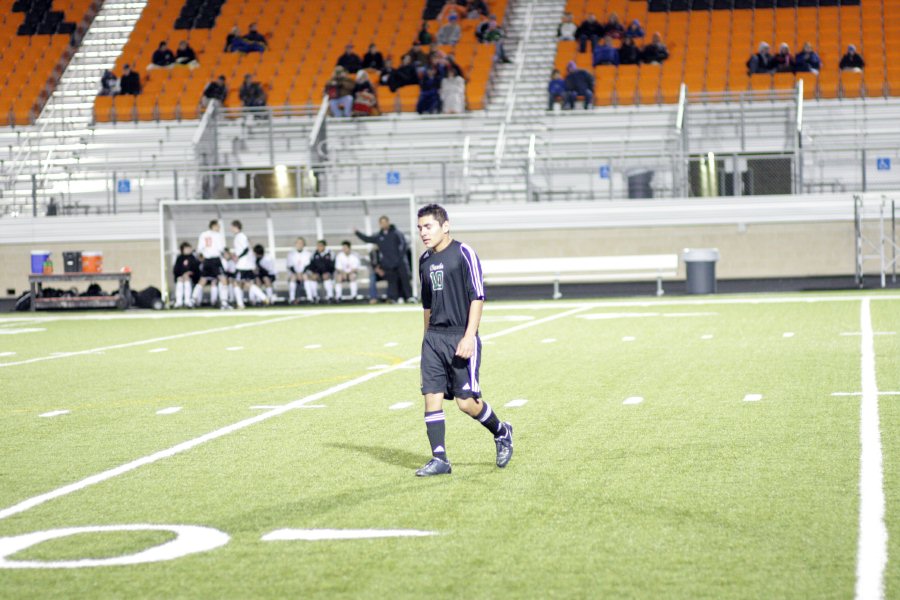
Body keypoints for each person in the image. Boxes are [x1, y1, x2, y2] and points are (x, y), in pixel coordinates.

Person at [414, 203, 513, 477]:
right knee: (431, 396)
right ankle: (440, 459)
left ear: (445, 226)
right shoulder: (424, 260)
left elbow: (477, 296)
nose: (423, 232)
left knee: (466, 403)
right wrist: (426, 340)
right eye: (420, 227)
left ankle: (502, 431)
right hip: (434, 338)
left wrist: (470, 336)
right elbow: (426, 304)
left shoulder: (463, 253)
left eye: (428, 226)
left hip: (460, 335)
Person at [355, 216, 411, 303]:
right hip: (389, 264)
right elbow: (367, 239)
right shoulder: (378, 236)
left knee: (405, 280)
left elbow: (403, 245)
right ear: (380, 224)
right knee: (392, 282)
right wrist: (357, 233)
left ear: (388, 222)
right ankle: (393, 299)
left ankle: (409, 297)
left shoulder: (396, 233)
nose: (384, 224)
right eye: (382, 222)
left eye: (385, 222)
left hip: (400, 262)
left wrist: (400, 257)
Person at [192, 220, 230, 309]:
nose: (219, 228)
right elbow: (221, 248)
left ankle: (192, 300)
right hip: (215, 260)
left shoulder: (203, 234)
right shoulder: (218, 235)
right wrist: (226, 255)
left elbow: (199, 249)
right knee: (223, 279)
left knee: (203, 280)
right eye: (218, 226)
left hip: (207, 260)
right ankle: (224, 302)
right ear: (214, 226)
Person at [230, 220, 257, 309]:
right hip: (244, 264)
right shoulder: (239, 236)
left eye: (232, 227)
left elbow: (245, 249)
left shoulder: (240, 236)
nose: (231, 229)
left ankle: (240, 304)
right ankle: (263, 298)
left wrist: (238, 257)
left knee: (237, 283)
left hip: (242, 265)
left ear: (235, 227)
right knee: (244, 283)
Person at [172, 242, 200, 308]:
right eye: (186, 248)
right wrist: (182, 275)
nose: (188, 250)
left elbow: (196, 269)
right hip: (181, 277)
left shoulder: (193, 258)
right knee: (180, 279)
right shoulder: (179, 258)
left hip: (192, 278)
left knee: (187, 279)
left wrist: (189, 273)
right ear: (182, 250)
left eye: (189, 248)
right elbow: (176, 270)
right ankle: (179, 302)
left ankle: (187, 301)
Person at [286, 237, 312, 304]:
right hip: (294, 273)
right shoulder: (291, 254)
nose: (299, 244)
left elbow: (308, 265)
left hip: (304, 273)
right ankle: (292, 299)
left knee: (305, 276)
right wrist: (297, 274)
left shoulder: (307, 254)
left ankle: (310, 298)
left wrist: (301, 273)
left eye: (301, 243)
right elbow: (290, 266)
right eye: (298, 243)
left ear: (304, 244)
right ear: (295, 244)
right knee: (293, 277)